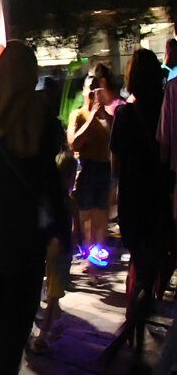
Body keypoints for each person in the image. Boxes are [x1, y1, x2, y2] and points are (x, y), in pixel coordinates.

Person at [0, 42, 66, 373]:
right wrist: (61, 231)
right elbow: (50, 185)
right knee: (13, 338)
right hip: (25, 243)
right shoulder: (43, 121)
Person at [109, 49, 174, 354]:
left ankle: (133, 330)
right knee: (153, 263)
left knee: (137, 262)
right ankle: (146, 309)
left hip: (133, 201)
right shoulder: (167, 107)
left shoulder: (124, 115)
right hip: (161, 197)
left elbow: (115, 166)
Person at [72, 64, 117, 286]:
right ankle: (90, 263)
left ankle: (96, 267)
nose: (93, 93)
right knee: (86, 221)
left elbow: (113, 144)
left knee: (101, 221)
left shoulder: (107, 118)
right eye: (89, 89)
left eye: (96, 88)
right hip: (88, 169)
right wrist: (91, 116)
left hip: (104, 171)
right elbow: (74, 142)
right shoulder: (78, 115)